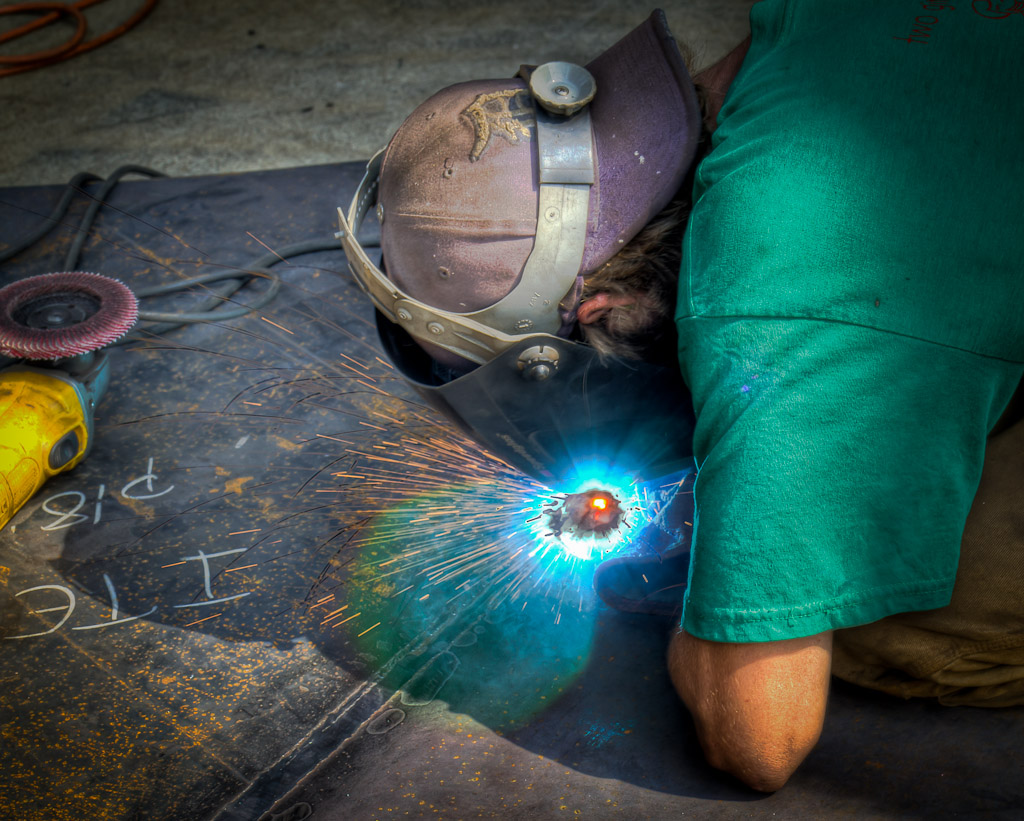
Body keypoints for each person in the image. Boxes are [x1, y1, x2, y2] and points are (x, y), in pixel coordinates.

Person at [340, 3, 1024, 792]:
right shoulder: (793, 38)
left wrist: (719, 576)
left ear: (601, 310)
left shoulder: (767, 304)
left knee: (880, 608)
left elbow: (761, 742)